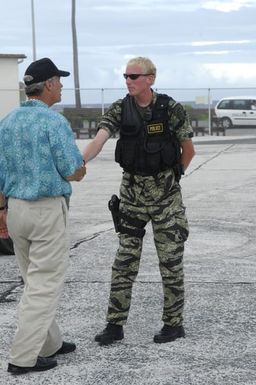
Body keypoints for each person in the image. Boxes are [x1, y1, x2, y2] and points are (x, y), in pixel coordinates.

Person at [83, 57, 195, 345]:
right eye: (126, 76)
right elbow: (100, 138)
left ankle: (173, 323)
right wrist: (78, 160)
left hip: (166, 199)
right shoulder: (121, 108)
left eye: (134, 76)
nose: (129, 81)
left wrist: (173, 179)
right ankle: (114, 325)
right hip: (132, 197)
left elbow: (188, 150)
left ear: (151, 78)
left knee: (170, 262)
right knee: (124, 262)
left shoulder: (170, 109)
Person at [0, 57, 86, 374]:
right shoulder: (53, 123)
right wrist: (81, 171)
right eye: (59, 80)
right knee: (43, 285)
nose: (62, 85)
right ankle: (22, 357)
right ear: (48, 84)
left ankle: (49, 343)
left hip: (15, 210)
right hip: (45, 210)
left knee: (31, 280)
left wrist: (0, 211)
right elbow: (72, 169)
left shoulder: (6, 122)